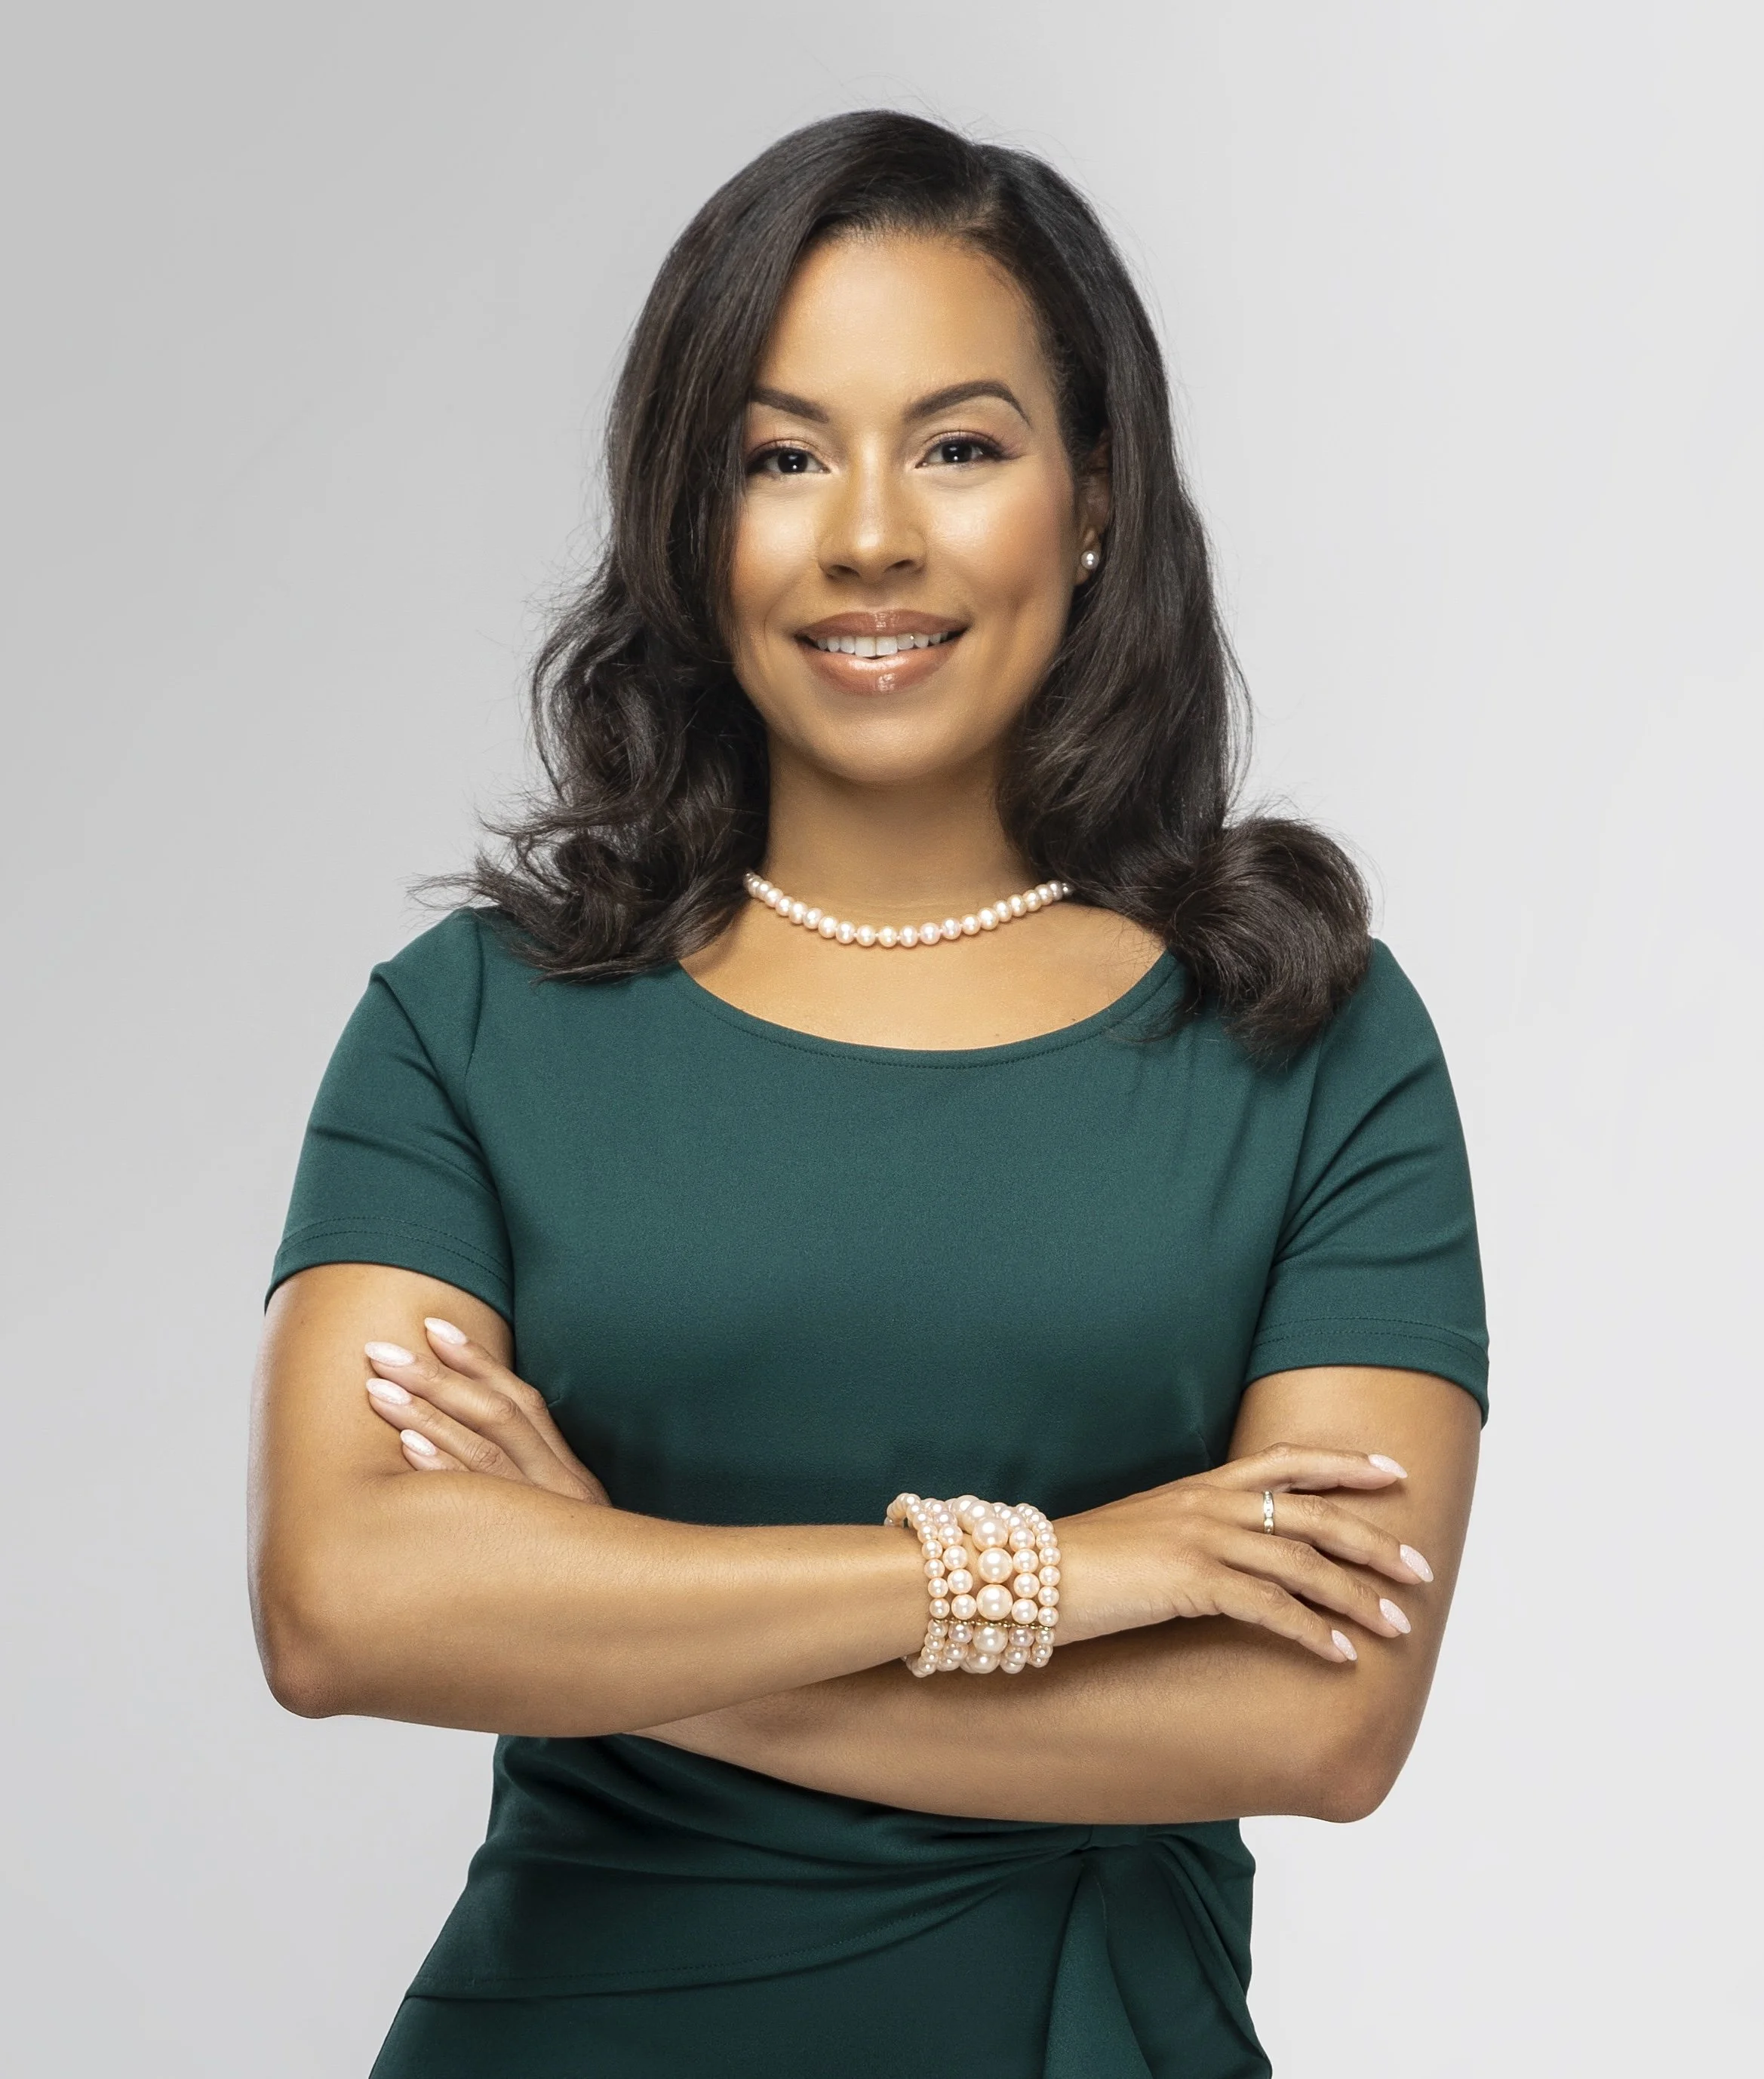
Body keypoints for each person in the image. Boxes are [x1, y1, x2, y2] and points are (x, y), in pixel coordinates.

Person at [250, 110, 1486, 2079]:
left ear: (1095, 495)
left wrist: (623, 1619)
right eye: (781, 453)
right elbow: (344, 1598)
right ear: (691, 516)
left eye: (963, 443)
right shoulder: (477, 1023)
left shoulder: (1309, 1036)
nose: (870, 535)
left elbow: (1320, 1712)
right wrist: (1052, 1579)